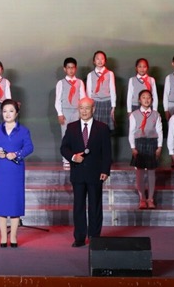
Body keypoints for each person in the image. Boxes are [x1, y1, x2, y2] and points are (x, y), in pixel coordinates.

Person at [60, 97, 111, 248]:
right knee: (79, 207)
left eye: (87, 108)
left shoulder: (102, 128)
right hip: (78, 173)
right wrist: (73, 157)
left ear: (93, 109)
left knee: (95, 206)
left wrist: (105, 170)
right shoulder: (72, 127)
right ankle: (79, 238)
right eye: (81, 108)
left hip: (96, 173)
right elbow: (64, 148)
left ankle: (95, 237)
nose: (84, 111)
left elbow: (107, 151)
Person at [0, 99, 34, 248]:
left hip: (16, 168)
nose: (7, 114)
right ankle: (3, 237)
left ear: (16, 113)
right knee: (1, 202)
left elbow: (29, 147)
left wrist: (17, 154)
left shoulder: (23, 130)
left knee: (15, 202)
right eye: (4, 111)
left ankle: (14, 236)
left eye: (11, 111)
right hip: (1, 169)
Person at [128, 90, 163, 209]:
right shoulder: (134, 114)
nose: (146, 100)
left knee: (151, 172)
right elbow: (131, 132)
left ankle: (150, 198)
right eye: (143, 97)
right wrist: (133, 147)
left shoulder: (156, 114)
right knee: (140, 172)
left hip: (152, 143)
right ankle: (142, 198)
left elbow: (159, 131)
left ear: (152, 100)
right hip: (139, 143)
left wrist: (159, 147)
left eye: (148, 97)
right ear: (139, 100)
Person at [55, 57, 87, 169]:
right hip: (65, 111)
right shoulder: (61, 83)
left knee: (78, 134)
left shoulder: (79, 82)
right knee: (65, 135)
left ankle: (77, 157)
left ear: (76, 68)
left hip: (76, 111)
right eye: (68, 68)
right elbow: (58, 100)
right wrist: (60, 113)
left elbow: (83, 97)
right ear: (65, 69)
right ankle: (66, 159)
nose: (71, 70)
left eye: (73, 67)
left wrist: (82, 111)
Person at [86, 51, 116, 132]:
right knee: (95, 127)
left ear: (105, 61)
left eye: (102, 59)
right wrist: (90, 105)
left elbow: (112, 90)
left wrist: (113, 106)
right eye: (97, 59)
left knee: (106, 128)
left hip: (107, 102)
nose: (100, 61)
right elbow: (89, 92)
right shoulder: (90, 75)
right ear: (94, 61)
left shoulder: (110, 73)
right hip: (95, 103)